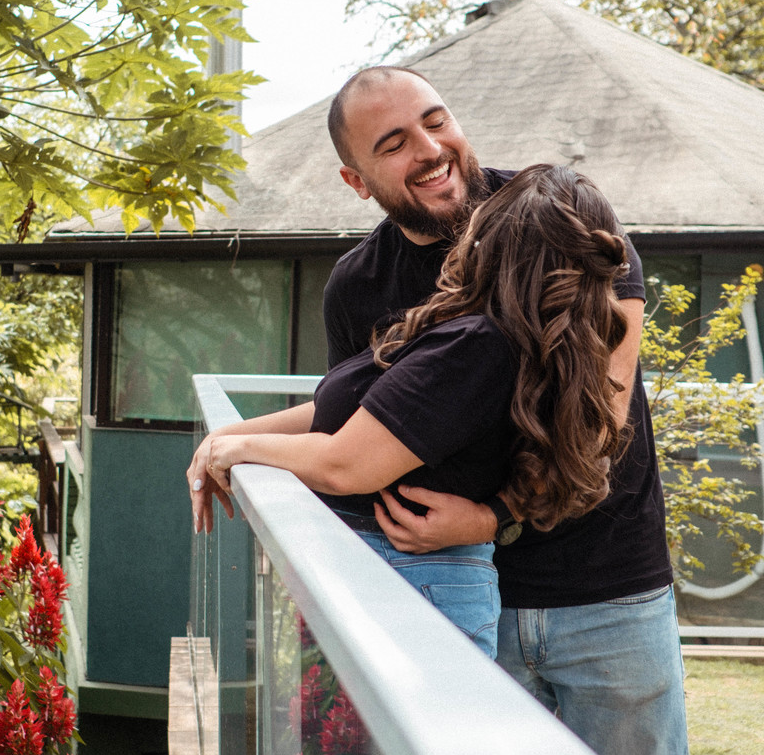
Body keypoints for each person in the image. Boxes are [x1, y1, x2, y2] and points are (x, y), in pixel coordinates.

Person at [321, 65, 686, 755]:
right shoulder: (359, 285)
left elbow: (605, 426)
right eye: (393, 142)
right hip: (454, 602)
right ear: (357, 177)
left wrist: (496, 521)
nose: (428, 148)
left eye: (434, 120)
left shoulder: (568, 222)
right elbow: (371, 431)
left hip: (607, 591)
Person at [189, 167, 632, 683]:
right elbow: (357, 418)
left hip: (411, 582)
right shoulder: (474, 329)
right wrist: (230, 436)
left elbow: (345, 464)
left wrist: (238, 451)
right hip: (395, 575)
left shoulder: (476, 346)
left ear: (499, 240)